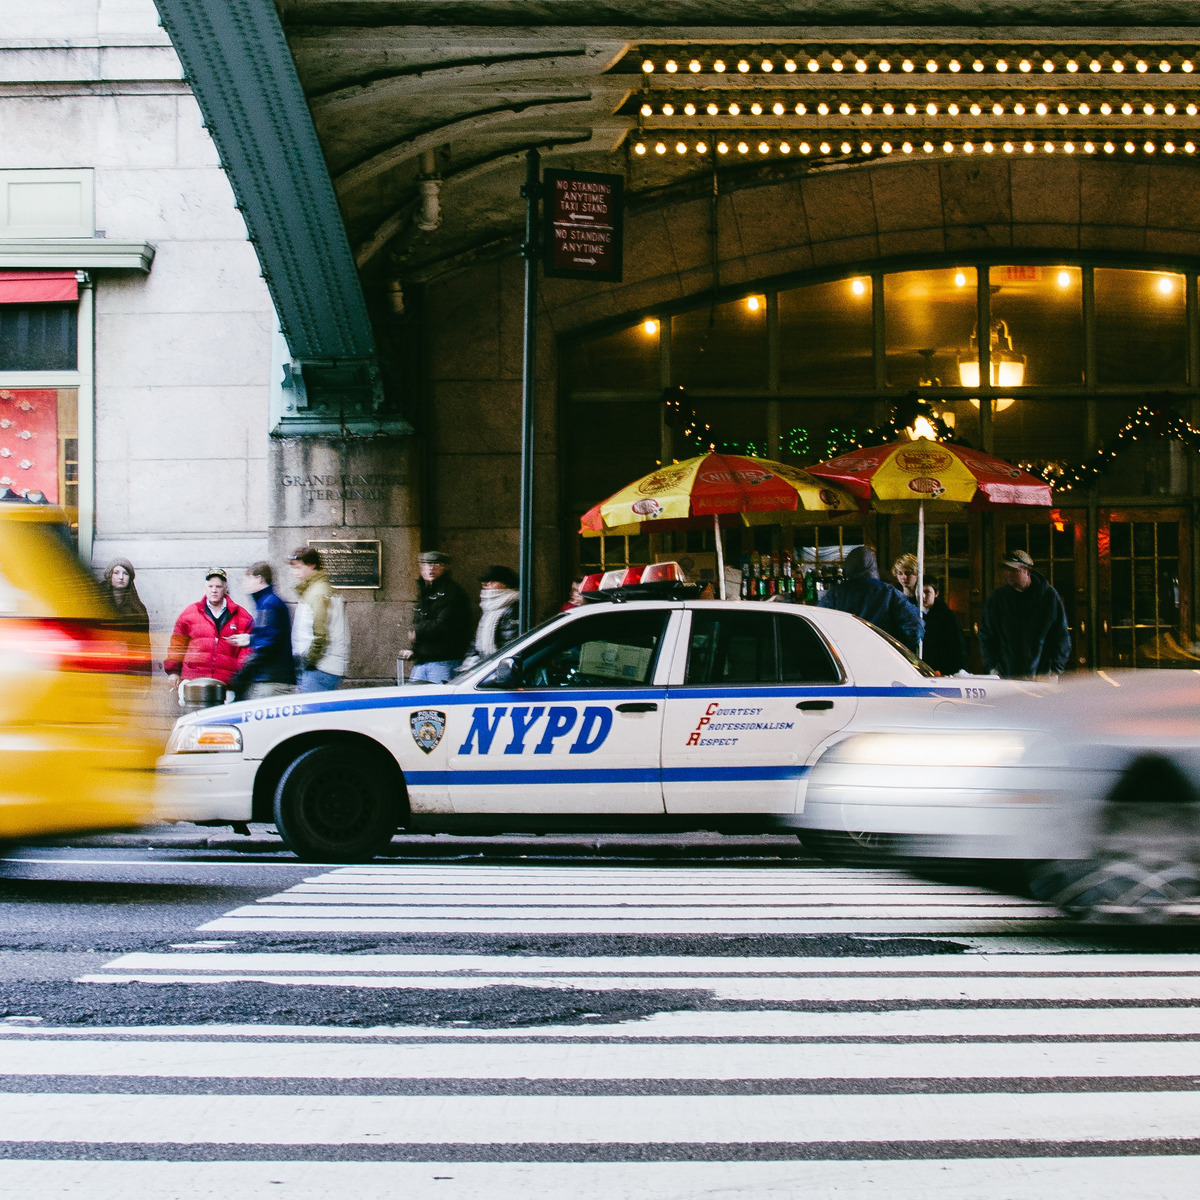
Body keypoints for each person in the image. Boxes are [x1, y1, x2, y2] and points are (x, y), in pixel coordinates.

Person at [979, 549, 1071, 679]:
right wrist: (993, 668)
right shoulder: (997, 598)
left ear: (1026, 571)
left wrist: (1054, 670)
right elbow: (986, 635)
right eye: (1006, 569)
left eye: (1013, 570)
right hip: (1006, 675)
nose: (1008, 574)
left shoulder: (1048, 597)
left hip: (1042, 674)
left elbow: (1061, 636)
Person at [163, 568, 254, 699]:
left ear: (225, 588)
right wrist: (173, 671)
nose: (214, 590)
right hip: (193, 682)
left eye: (218, 586)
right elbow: (177, 644)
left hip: (225, 686)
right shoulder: (189, 613)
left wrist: (237, 676)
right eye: (210, 586)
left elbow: (246, 651)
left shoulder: (242, 616)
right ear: (205, 588)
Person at [819, 545, 923, 653]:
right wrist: (895, 648)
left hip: (846, 656)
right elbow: (914, 627)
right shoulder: (889, 592)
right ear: (873, 565)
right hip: (882, 656)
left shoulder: (835, 594)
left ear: (848, 567)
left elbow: (819, 623)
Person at [228, 562, 296, 701]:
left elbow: (266, 645)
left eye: (248, 578)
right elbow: (270, 637)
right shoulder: (270, 602)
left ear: (259, 579)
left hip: (270, 680)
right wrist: (250, 639)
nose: (245, 583)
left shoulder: (267, 604)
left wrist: (243, 672)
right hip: (276, 678)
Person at [402, 550, 472, 684]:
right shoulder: (425, 591)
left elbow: (445, 624)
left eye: (436, 564)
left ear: (444, 567)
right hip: (423, 661)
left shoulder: (452, 592)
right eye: (426, 564)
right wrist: (414, 651)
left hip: (444, 661)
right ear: (420, 568)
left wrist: (418, 631)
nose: (430, 568)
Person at [289, 546, 349, 692]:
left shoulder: (317, 592)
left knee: (310, 713)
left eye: (298, 567)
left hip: (320, 667)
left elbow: (320, 632)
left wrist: (310, 660)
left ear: (312, 565)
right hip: (323, 666)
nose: (294, 572)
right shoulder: (316, 589)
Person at [463, 565, 520, 668]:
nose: (486, 584)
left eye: (492, 581)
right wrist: (471, 659)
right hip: (486, 664)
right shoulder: (488, 606)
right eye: (485, 581)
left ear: (506, 583)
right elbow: (477, 638)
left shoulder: (512, 608)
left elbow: (511, 643)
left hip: (500, 666)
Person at [101, 558, 151, 675]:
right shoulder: (96, 603)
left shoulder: (137, 609)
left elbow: (144, 646)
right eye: (116, 573)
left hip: (127, 668)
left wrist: (145, 678)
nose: (121, 577)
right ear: (109, 576)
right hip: (102, 666)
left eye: (125, 573)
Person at [920, 578, 969, 676]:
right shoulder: (912, 613)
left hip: (942, 669)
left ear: (936, 594)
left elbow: (956, 646)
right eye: (920, 592)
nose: (923, 596)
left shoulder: (946, 616)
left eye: (927, 592)